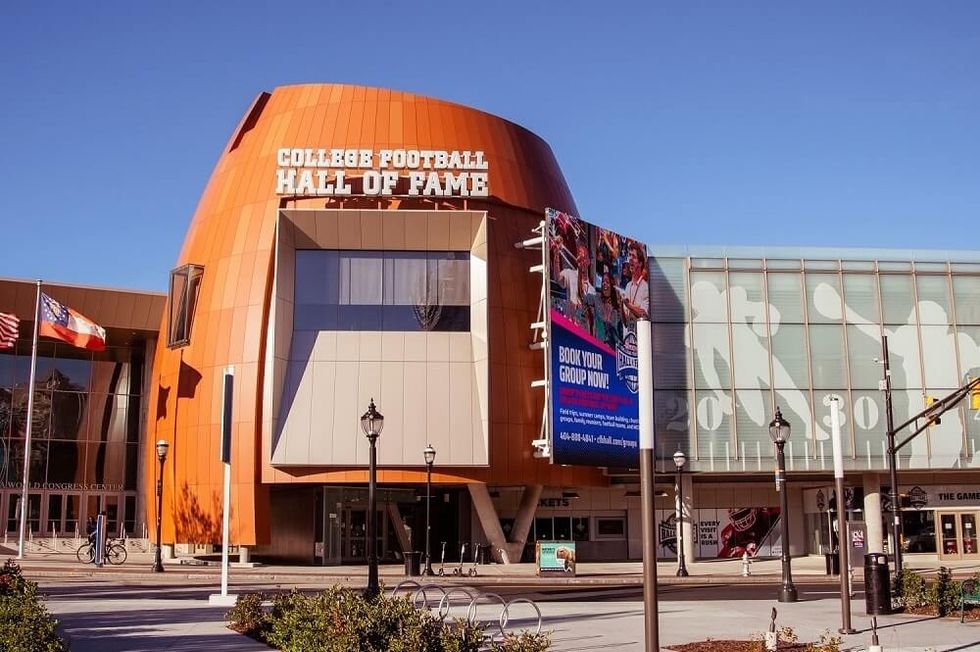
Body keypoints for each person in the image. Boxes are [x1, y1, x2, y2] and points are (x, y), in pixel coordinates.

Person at [621, 243, 649, 323]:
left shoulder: (645, 287)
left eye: (633, 256)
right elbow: (625, 322)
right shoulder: (628, 286)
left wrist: (628, 305)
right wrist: (621, 304)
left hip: (641, 330)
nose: (630, 259)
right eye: (629, 255)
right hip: (629, 330)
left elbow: (644, 314)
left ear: (640, 263)